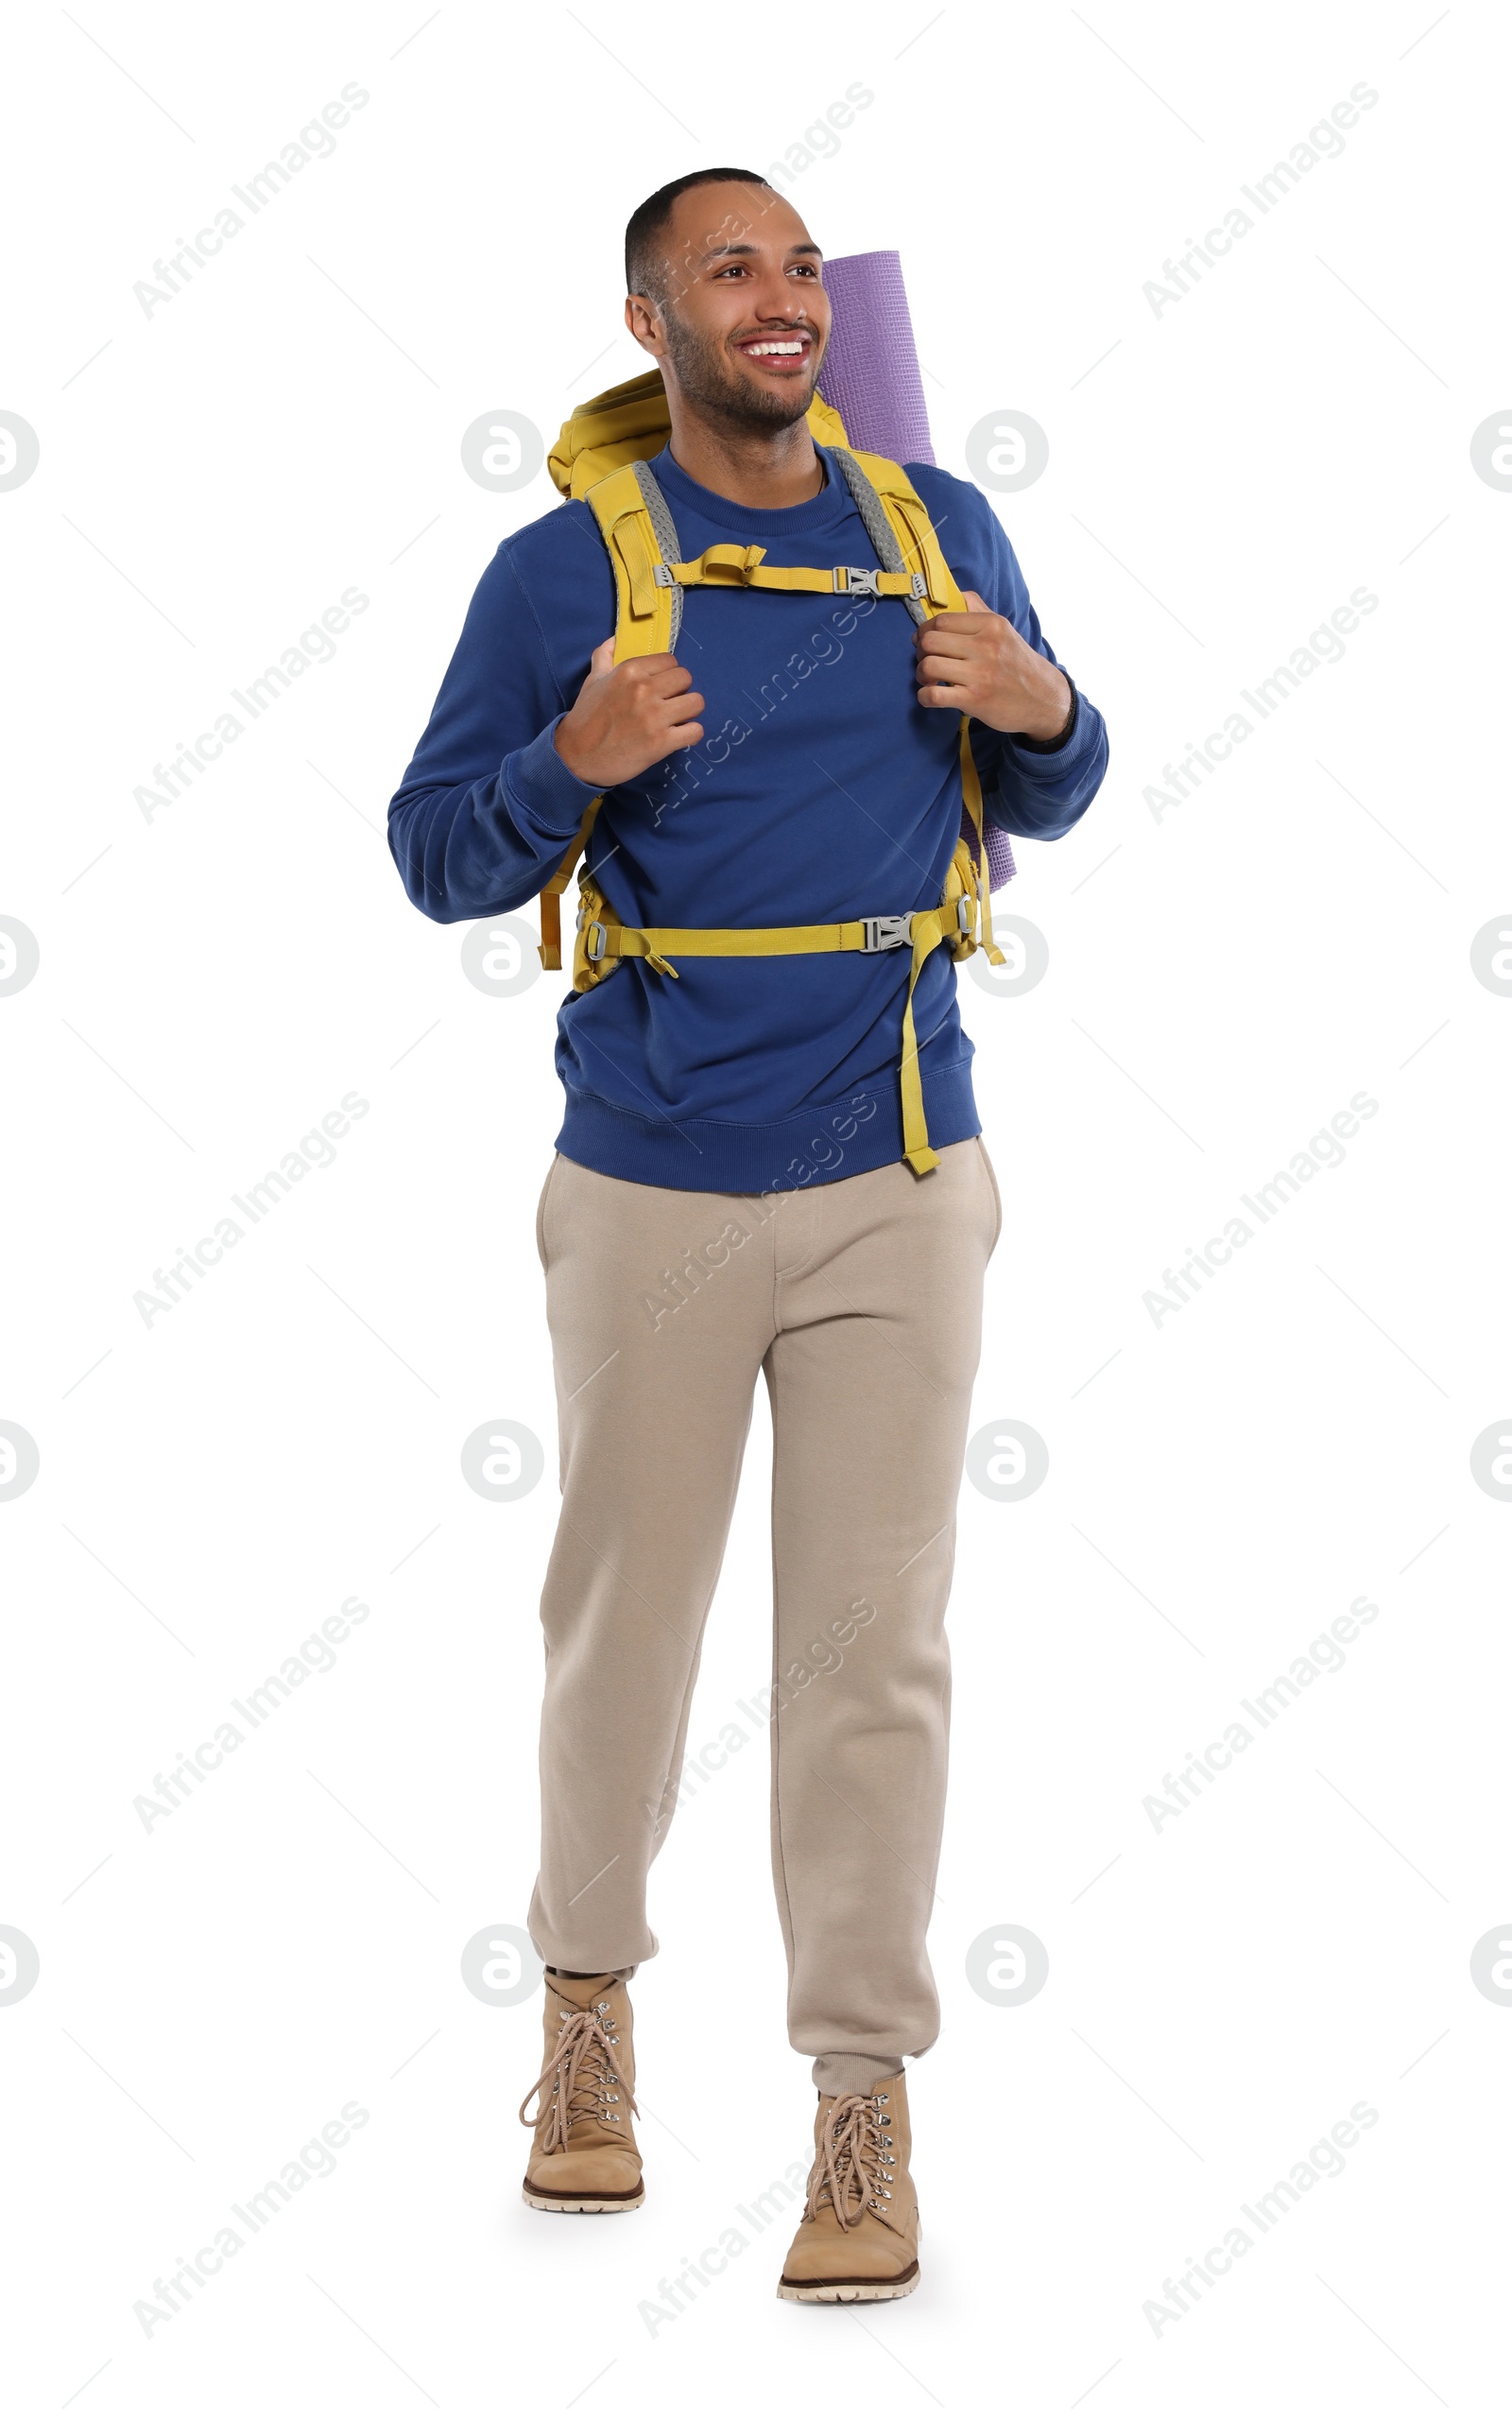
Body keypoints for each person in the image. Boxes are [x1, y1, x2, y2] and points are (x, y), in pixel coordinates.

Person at [387, 166, 1108, 2304]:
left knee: (869, 1656)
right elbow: (435, 850)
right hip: (652, 1181)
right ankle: (585, 2010)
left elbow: (1051, 792)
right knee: (624, 1627)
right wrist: (567, 760)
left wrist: (1036, 711)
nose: (781, 300)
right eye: (732, 270)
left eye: (801, 268)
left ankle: (858, 2096)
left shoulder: (933, 526)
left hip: (901, 1163)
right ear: (649, 326)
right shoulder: (559, 573)